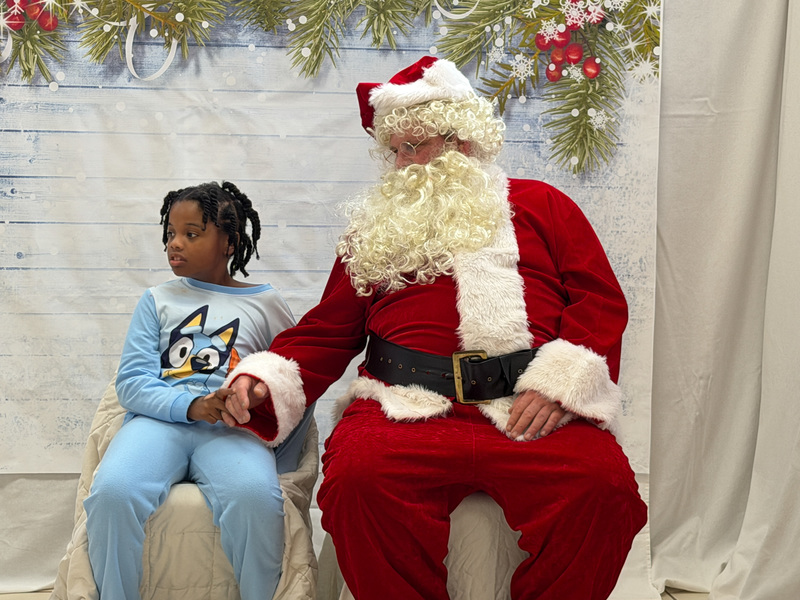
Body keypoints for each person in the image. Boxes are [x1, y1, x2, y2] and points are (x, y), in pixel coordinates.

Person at [223, 56, 648, 599]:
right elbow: (328, 330)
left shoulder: (544, 205)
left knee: (604, 489)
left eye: (414, 146)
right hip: (403, 405)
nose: (402, 163)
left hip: (524, 406)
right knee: (357, 483)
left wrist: (561, 383)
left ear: (463, 142)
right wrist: (263, 380)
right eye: (395, 150)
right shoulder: (374, 231)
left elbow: (599, 303)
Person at [83, 181, 310, 600]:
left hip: (233, 432)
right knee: (112, 494)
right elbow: (131, 382)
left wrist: (280, 460)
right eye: (171, 233)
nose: (175, 244)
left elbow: (293, 380)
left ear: (230, 241)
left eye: (192, 233)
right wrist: (191, 405)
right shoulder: (156, 299)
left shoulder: (266, 304)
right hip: (157, 425)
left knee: (256, 499)